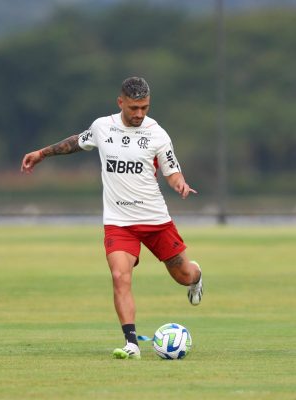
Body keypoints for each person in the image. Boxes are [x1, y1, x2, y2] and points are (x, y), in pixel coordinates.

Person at [21, 77, 203, 360]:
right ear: (121, 102)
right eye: (134, 107)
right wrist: (42, 153)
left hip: (155, 220)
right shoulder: (101, 127)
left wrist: (179, 182)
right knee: (120, 276)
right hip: (119, 222)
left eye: (144, 107)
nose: (139, 114)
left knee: (183, 275)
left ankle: (197, 276)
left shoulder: (158, 134)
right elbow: (76, 142)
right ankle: (131, 343)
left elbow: (172, 170)